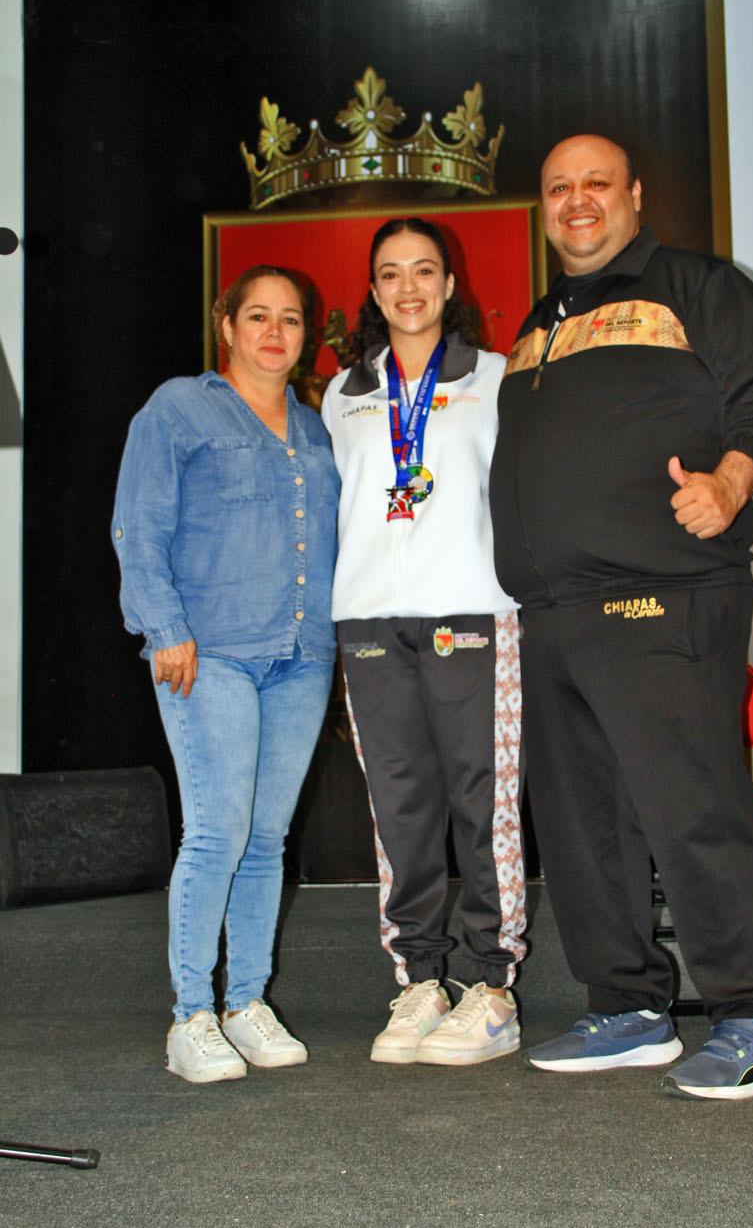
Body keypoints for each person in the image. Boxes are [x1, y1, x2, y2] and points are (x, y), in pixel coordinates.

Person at [489, 134, 753, 1100]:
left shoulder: (701, 287)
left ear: (634, 192)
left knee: (693, 803)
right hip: (552, 610)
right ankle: (627, 1007)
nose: (577, 201)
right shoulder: (540, 321)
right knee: (583, 822)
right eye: (558, 188)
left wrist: (731, 481)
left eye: (596, 183)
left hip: (664, 590)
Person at [112, 265, 338, 1083]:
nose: (275, 333)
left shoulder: (315, 428)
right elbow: (138, 525)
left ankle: (246, 1002)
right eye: (259, 317)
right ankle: (191, 1016)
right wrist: (164, 628)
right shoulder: (180, 408)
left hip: (302, 656)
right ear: (228, 325)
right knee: (217, 832)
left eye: (291, 319)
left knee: (267, 837)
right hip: (208, 652)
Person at [320, 217, 526, 1066]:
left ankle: (492, 986)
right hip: (369, 617)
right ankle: (418, 979)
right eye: (391, 274)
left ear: (449, 283)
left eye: (424, 271)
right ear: (373, 290)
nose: (408, 288)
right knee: (399, 803)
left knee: (482, 800)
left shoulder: (497, 378)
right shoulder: (343, 395)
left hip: (472, 612)